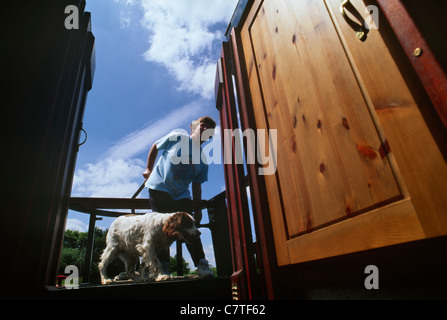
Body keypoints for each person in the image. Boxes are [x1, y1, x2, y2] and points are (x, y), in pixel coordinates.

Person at [142, 116, 217, 278]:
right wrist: (148, 169)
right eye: (202, 125)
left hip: (181, 194)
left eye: (209, 130)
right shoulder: (178, 137)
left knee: (189, 227)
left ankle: (202, 264)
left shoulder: (203, 160)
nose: (204, 129)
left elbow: (197, 185)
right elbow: (156, 146)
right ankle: (162, 267)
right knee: (163, 227)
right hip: (160, 187)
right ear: (194, 128)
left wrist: (197, 209)